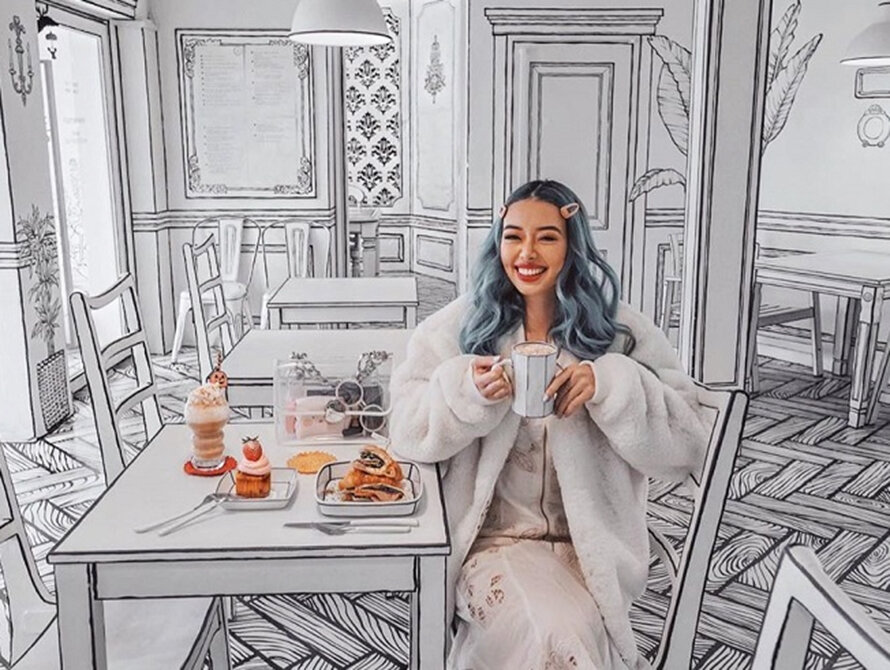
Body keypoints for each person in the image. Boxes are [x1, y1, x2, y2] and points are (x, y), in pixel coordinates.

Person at [389, 179, 711, 669]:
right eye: (513, 236)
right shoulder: (459, 328)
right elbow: (406, 431)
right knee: (550, 637)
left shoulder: (619, 334)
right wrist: (465, 392)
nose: (527, 252)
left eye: (547, 237)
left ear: (572, 245)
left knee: (565, 633)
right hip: (492, 545)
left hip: (591, 552)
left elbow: (689, 443)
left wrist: (611, 386)